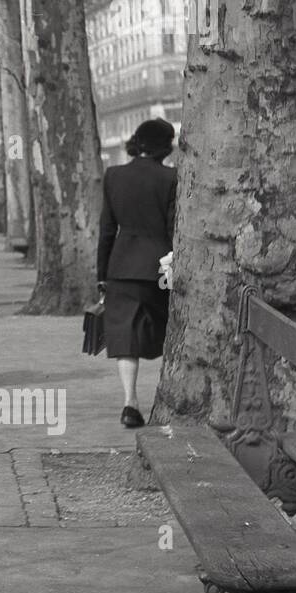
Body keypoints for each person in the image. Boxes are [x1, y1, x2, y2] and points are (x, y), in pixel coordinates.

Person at [97, 117, 177, 429]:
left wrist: (101, 274)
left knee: (125, 337)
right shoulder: (171, 178)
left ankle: (130, 401)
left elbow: (106, 229)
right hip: (159, 267)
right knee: (162, 332)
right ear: (165, 147)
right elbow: (173, 228)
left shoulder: (114, 175)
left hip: (121, 267)